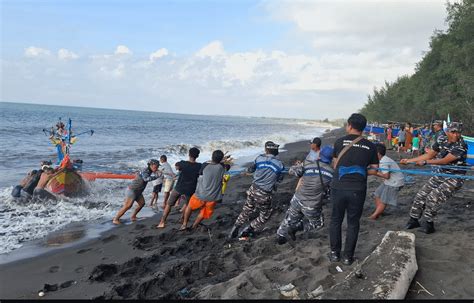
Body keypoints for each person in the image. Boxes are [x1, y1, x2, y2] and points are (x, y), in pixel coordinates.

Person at [328, 113, 379, 265]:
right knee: (353, 222)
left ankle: (335, 254)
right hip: (358, 189)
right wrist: (361, 170)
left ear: (350, 125)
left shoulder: (339, 142)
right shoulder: (370, 146)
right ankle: (347, 257)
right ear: (363, 128)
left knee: (336, 220)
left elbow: (335, 165)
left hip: (338, 187)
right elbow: (375, 170)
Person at [401, 122, 467, 234]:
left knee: (433, 197)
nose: (456, 135)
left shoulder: (461, 145)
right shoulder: (442, 139)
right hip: (441, 174)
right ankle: (414, 220)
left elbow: (444, 160)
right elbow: (430, 154)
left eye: (458, 132)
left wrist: (426, 162)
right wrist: (409, 161)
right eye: (453, 132)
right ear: (447, 132)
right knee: (421, 194)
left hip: (455, 177)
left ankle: (429, 223)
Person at [276, 145, 334, 244]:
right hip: (311, 205)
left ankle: (280, 237)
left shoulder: (308, 164)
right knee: (318, 224)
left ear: (319, 155)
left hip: (297, 198)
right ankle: (298, 227)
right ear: (331, 158)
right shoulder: (332, 173)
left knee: (289, 218)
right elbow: (330, 192)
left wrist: (298, 166)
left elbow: (292, 171)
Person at [229, 141, 285, 239]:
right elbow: (280, 179)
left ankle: (235, 228)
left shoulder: (259, 158)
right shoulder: (280, 165)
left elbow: (250, 170)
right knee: (265, 215)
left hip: (253, 189)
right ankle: (248, 229)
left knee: (247, 209)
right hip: (265, 194)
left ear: (266, 150)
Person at [180, 150, 226, 230]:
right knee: (204, 212)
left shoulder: (205, 165)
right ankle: (194, 225)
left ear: (212, 156)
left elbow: (200, 173)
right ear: (221, 159)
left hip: (200, 194)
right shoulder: (222, 167)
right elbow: (226, 166)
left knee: (189, 207)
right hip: (213, 197)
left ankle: (184, 224)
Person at [157, 147, 202, 228]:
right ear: (197, 156)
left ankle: (162, 222)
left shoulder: (183, 163)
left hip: (179, 187)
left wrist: (179, 168)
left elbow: (177, 167)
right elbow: (200, 173)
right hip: (190, 189)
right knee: (188, 206)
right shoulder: (199, 166)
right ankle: (184, 223)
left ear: (189, 154)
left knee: (169, 204)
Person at [113, 159, 160, 224]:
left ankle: (133, 216)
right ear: (151, 165)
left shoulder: (150, 170)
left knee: (142, 203)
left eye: (158, 166)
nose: (157, 168)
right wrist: (156, 176)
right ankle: (116, 219)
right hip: (132, 190)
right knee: (127, 206)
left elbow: (155, 173)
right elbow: (146, 179)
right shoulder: (145, 170)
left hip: (138, 191)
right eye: (156, 166)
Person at [369, 144, 405, 220]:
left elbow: (386, 176)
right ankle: (380, 212)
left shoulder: (384, 162)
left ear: (378, 154)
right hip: (389, 181)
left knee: (384, 200)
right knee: (377, 194)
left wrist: (374, 173)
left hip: (395, 182)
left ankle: (374, 216)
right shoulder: (383, 159)